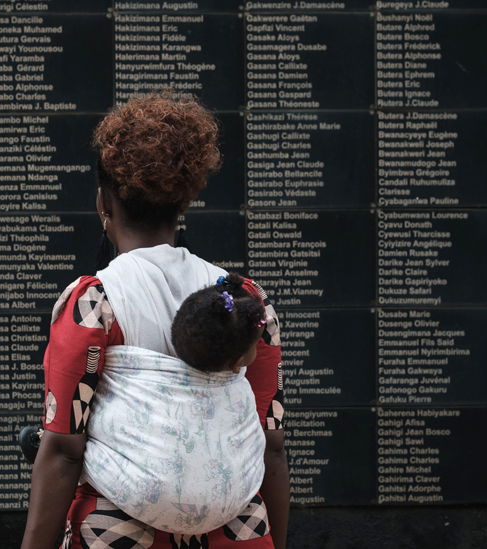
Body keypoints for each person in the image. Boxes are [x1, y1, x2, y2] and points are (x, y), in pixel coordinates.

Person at [20, 92, 289, 549]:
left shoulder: (95, 303)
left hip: (120, 533)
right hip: (237, 531)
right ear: (183, 202)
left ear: (104, 203)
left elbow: (63, 453)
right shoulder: (246, 301)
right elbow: (272, 445)